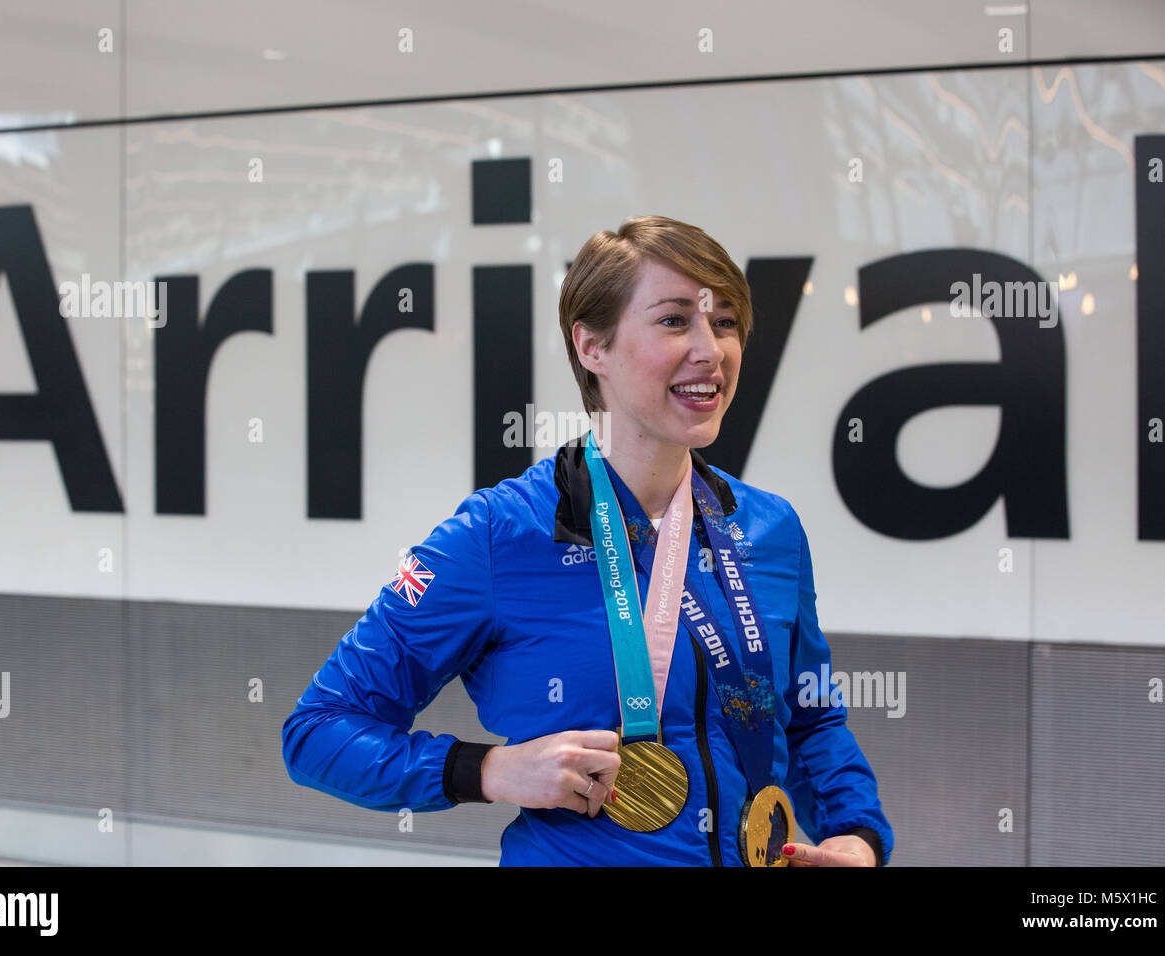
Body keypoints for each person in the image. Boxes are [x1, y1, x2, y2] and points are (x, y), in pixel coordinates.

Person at [282, 215, 894, 867]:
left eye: (723, 322)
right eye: (674, 320)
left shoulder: (770, 529)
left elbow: (810, 719)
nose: (711, 351)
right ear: (591, 347)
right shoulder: (499, 535)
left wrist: (858, 834)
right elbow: (318, 732)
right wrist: (487, 770)